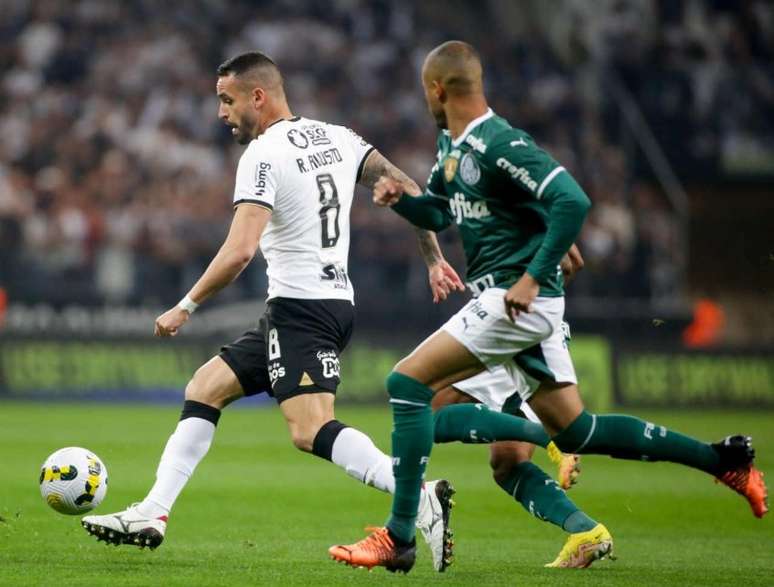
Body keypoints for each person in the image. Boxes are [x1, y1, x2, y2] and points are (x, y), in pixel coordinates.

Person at [329, 40, 768, 573]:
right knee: (578, 431)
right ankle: (723, 458)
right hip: (515, 303)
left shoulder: (499, 141)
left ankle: (399, 536)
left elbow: (573, 200)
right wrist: (404, 203)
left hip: (513, 300)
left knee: (406, 385)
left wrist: (535, 275)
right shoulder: (452, 147)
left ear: (437, 89)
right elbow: (441, 214)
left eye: (425, 91)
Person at [80, 50, 461, 572]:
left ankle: (417, 495)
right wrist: (433, 259)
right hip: (325, 303)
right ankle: (153, 511)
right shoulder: (340, 138)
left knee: (308, 430)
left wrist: (186, 305)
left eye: (227, 100)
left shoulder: (262, 155)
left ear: (258, 96)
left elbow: (240, 250)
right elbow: (411, 188)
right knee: (205, 387)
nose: (221, 113)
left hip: (301, 309)